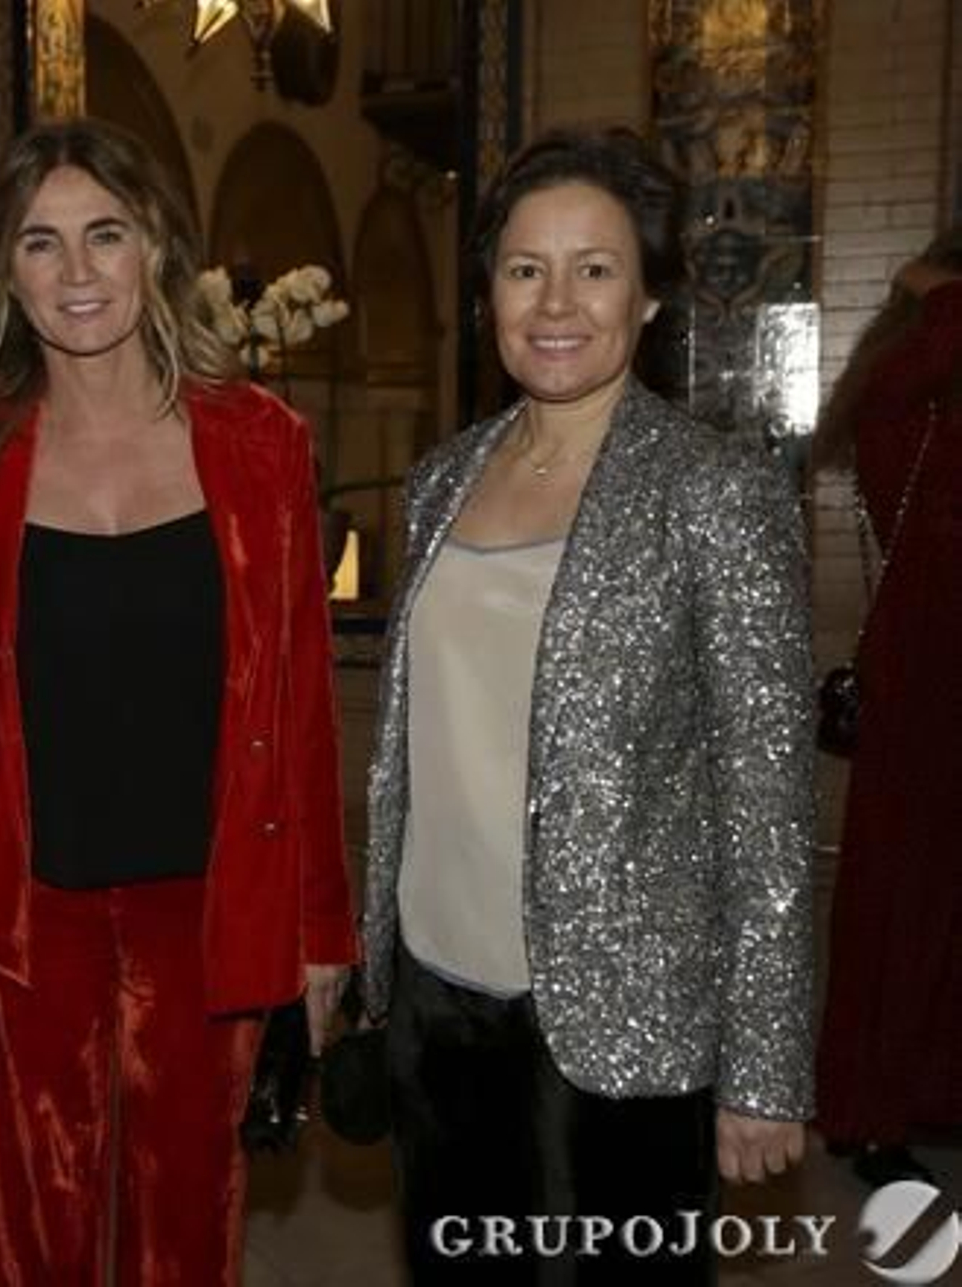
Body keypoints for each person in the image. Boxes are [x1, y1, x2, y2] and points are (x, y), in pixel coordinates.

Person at [358, 127, 816, 1284]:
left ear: (649, 298)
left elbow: (767, 809)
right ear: (489, 295)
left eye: (594, 268)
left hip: (628, 1020)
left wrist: (763, 1068)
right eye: (523, 269)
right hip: (438, 996)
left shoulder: (714, 491)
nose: (555, 302)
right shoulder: (442, 477)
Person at [0, 118, 356, 1287]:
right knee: (33, 1231)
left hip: (206, 902)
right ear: (3, 270)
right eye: (40, 243)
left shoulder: (262, 445)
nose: (77, 273)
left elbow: (300, 704)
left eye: (104, 235)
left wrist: (319, 935)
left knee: (190, 1230)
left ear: (155, 243)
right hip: (21, 911)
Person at [812, 225, 962, 1188]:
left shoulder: (917, 380)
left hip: (934, 660)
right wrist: (944, 293)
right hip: (927, 666)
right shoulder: (915, 386)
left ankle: (918, 1092)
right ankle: (869, 1107)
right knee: (905, 894)